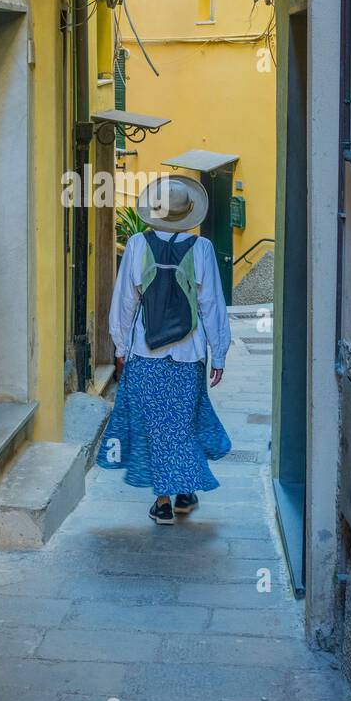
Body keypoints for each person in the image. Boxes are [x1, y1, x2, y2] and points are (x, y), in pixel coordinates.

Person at [96, 175, 232, 524]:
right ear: (189, 213)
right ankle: (185, 491)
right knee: (184, 423)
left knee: (157, 426)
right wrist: (219, 353)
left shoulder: (140, 245)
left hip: (146, 350)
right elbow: (212, 305)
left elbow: (125, 301)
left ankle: (163, 502)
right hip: (189, 354)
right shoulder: (201, 249)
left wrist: (121, 345)